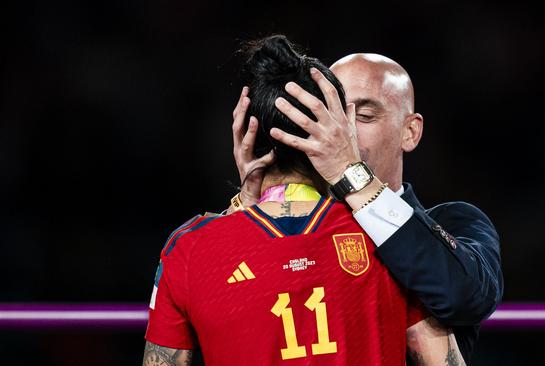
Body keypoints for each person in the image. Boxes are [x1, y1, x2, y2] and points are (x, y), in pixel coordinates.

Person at [143, 35, 466, 366]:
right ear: (337, 132)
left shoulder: (188, 249)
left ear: (247, 135)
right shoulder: (386, 237)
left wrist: (240, 206)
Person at [229, 52, 504, 364]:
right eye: (331, 114)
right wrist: (251, 207)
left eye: (364, 116)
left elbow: (464, 296)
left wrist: (350, 173)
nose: (343, 131)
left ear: (409, 132)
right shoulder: (289, 228)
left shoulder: (455, 221)